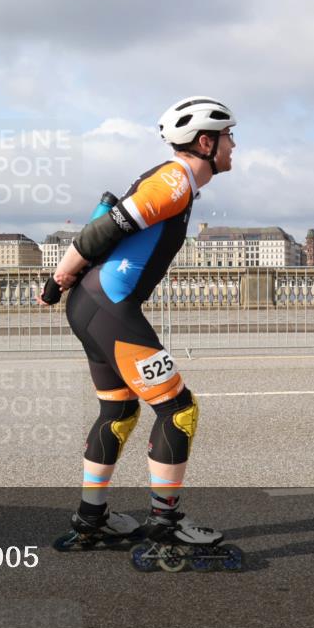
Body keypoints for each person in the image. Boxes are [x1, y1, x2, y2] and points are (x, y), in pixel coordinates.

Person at [41, 97, 237, 550]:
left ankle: (92, 519)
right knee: (179, 410)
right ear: (205, 143)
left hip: (94, 308)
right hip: (109, 309)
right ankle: (164, 523)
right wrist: (59, 276)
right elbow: (103, 230)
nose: (234, 146)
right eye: (229, 136)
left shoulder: (176, 181)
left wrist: (67, 283)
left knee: (119, 410)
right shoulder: (174, 180)